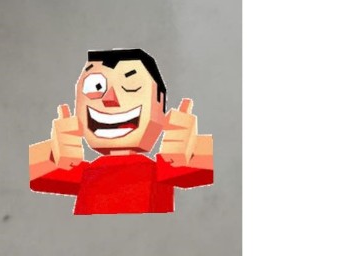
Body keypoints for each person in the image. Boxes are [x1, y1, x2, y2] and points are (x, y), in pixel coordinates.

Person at [28, 48, 213, 215]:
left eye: (132, 84)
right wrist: (59, 153)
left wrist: (180, 152)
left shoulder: (163, 168)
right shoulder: (86, 172)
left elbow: (202, 170)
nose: (110, 99)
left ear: (159, 100)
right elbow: (37, 177)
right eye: (95, 86)